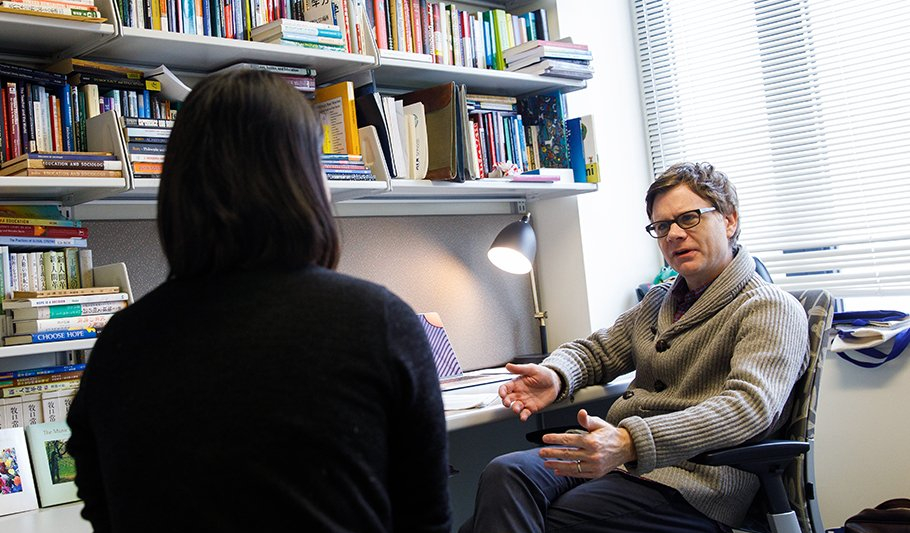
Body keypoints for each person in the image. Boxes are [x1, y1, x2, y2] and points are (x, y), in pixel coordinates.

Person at [67, 70, 451, 533]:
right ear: (304, 183)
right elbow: (426, 518)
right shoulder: (378, 323)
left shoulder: (121, 343)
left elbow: (100, 500)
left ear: (179, 188)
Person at [460, 162, 809, 533]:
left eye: (689, 218)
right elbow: (596, 351)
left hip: (695, 480)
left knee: (522, 522)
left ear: (729, 221)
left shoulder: (769, 307)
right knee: (505, 472)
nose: (674, 234)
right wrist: (556, 374)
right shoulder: (659, 302)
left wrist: (631, 441)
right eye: (662, 226)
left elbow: (749, 408)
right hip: (621, 460)